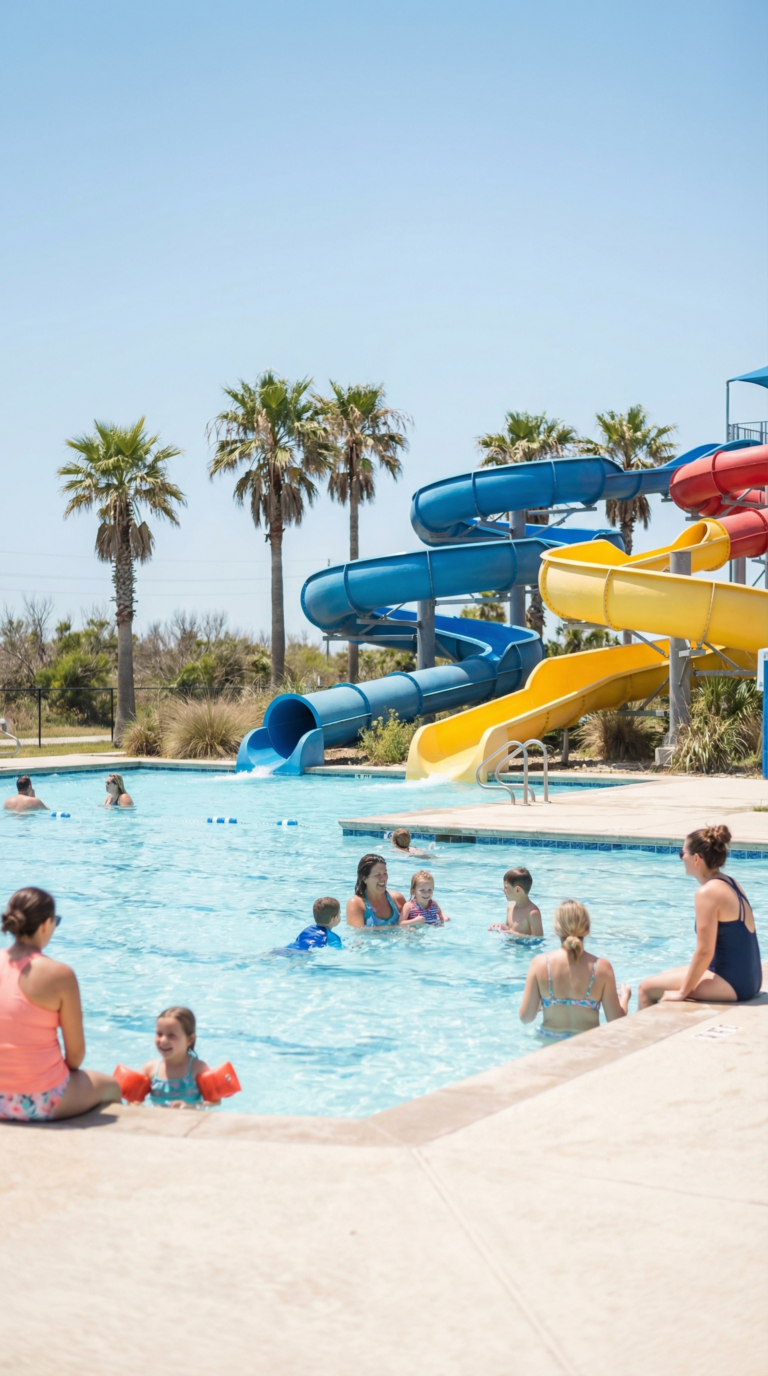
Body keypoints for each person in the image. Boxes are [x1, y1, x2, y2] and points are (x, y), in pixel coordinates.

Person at [0, 887, 120, 1121]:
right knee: (112, 1086)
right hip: (39, 1100)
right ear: (46, 924)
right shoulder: (59, 975)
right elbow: (75, 1056)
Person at [638, 825, 762, 1008]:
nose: (681, 858)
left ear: (696, 858)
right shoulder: (730, 882)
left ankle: (647, 1037)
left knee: (645, 988)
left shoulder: (707, 893)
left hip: (733, 983)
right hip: (750, 979)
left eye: (682, 854)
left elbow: (705, 952)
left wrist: (682, 993)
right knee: (664, 975)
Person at [519, 899, 630, 1040]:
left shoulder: (540, 964)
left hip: (550, 1045)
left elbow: (525, 1018)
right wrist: (625, 997)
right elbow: (616, 1021)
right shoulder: (601, 967)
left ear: (556, 928)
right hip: (586, 1045)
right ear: (587, 929)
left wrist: (542, 997)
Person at [141, 1006, 215, 1109]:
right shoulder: (149, 1069)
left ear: (189, 1039)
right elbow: (134, 1101)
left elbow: (214, 1101)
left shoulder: (198, 1068)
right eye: (159, 1033)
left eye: (171, 1035)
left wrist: (190, 1107)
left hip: (189, 1121)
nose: (163, 1040)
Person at [346, 854, 406, 929]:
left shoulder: (397, 898)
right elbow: (358, 935)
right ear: (365, 879)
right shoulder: (356, 903)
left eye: (385, 873)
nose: (383, 878)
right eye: (377, 874)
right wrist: (395, 927)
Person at [488, 867, 543, 938]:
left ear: (517, 890)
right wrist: (501, 927)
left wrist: (514, 933)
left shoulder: (532, 913)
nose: (503, 890)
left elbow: (538, 939)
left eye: (506, 887)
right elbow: (508, 931)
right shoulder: (510, 908)